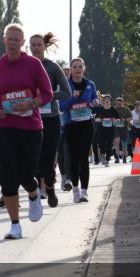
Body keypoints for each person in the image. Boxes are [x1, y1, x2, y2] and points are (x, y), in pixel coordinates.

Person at [0, 24, 53, 240]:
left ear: (22, 43)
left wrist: (31, 103)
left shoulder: (33, 64)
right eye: (9, 39)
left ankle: (33, 193)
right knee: (8, 174)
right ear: (4, 40)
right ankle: (15, 225)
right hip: (4, 126)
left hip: (30, 127)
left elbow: (48, 94)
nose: (13, 43)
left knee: (25, 174)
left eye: (17, 40)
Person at [29, 33, 71, 207]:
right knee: (34, 156)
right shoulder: (25, 66)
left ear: (44, 47)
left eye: (39, 44)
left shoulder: (53, 67)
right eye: (33, 45)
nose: (36, 47)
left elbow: (67, 92)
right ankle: (38, 190)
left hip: (51, 118)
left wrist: (48, 96)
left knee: (49, 155)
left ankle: (50, 187)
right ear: (29, 47)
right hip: (30, 117)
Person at [58, 58, 97, 204]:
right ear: (71, 69)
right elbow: (62, 107)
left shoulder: (90, 84)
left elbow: (93, 102)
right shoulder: (66, 85)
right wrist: (73, 99)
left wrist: (94, 103)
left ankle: (84, 191)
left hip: (87, 124)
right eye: (75, 67)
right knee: (74, 158)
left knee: (84, 159)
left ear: (84, 68)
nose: (78, 69)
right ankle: (75, 189)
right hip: (71, 125)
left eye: (80, 66)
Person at [95, 96, 119, 166]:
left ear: (110, 101)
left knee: (109, 144)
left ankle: (107, 160)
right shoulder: (101, 109)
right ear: (103, 101)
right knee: (102, 144)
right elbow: (96, 118)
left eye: (108, 100)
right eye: (106, 100)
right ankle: (103, 155)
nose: (107, 101)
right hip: (102, 129)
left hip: (111, 129)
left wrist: (114, 120)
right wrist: (100, 120)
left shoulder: (113, 109)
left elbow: (118, 119)